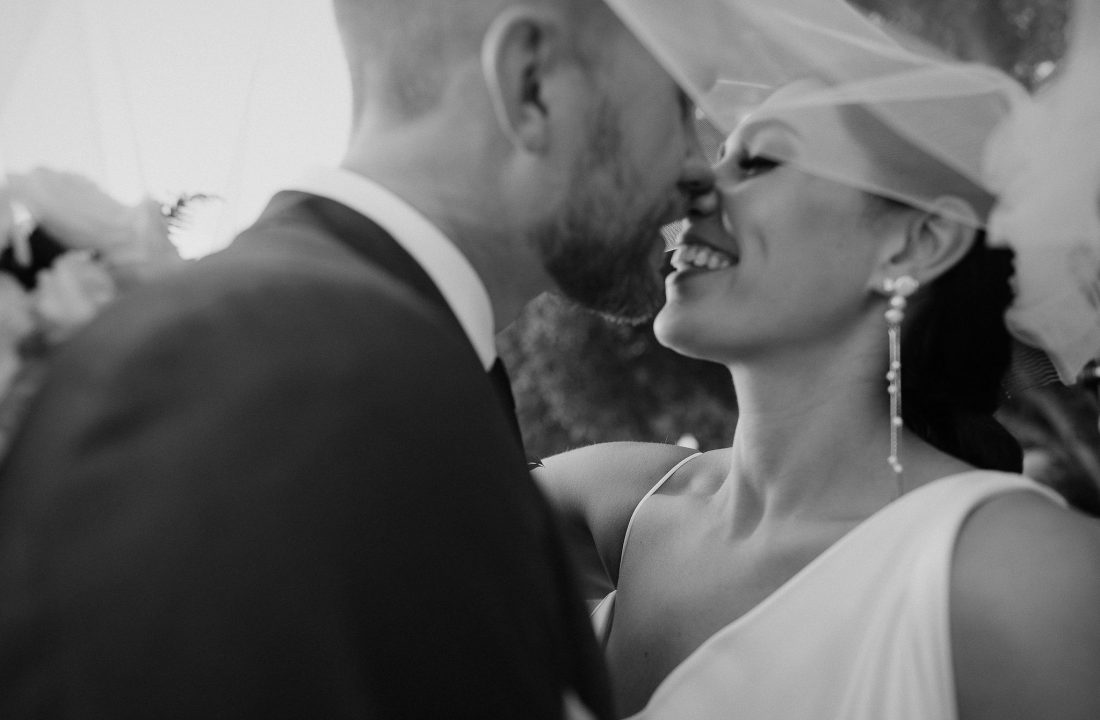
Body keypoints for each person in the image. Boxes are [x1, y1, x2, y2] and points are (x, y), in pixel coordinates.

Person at [0, 1, 714, 717]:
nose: (700, 162)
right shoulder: (356, 395)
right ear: (532, 83)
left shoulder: (315, 349)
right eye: (681, 99)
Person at [534, 59, 1100, 720]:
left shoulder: (1022, 575)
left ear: (916, 243)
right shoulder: (619, 501)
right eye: (719, 156)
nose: (693, 188)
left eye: (758, 162)